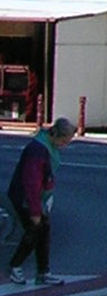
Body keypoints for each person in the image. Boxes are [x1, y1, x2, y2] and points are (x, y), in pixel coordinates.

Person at [8, 118, 76, 286]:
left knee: (43, 230)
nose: (66, 145)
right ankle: (15, 266)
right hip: (25, 197)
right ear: (59, 136)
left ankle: (43, 272)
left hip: (36, 197)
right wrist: (35, 211)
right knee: (35, 229)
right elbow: (32, 182)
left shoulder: (46, 145)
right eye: (65, 141)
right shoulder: (38, 150)